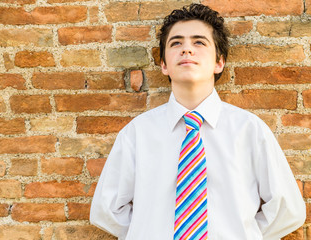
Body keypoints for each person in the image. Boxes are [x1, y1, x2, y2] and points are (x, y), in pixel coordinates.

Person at [90, 3, 306, 240]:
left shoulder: (250, 131)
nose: (187, 50)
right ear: (163, 64)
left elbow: (288, 210)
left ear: (219, 62)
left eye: (199, 42)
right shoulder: (137, 134)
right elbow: (106, 210)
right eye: (176, 43)